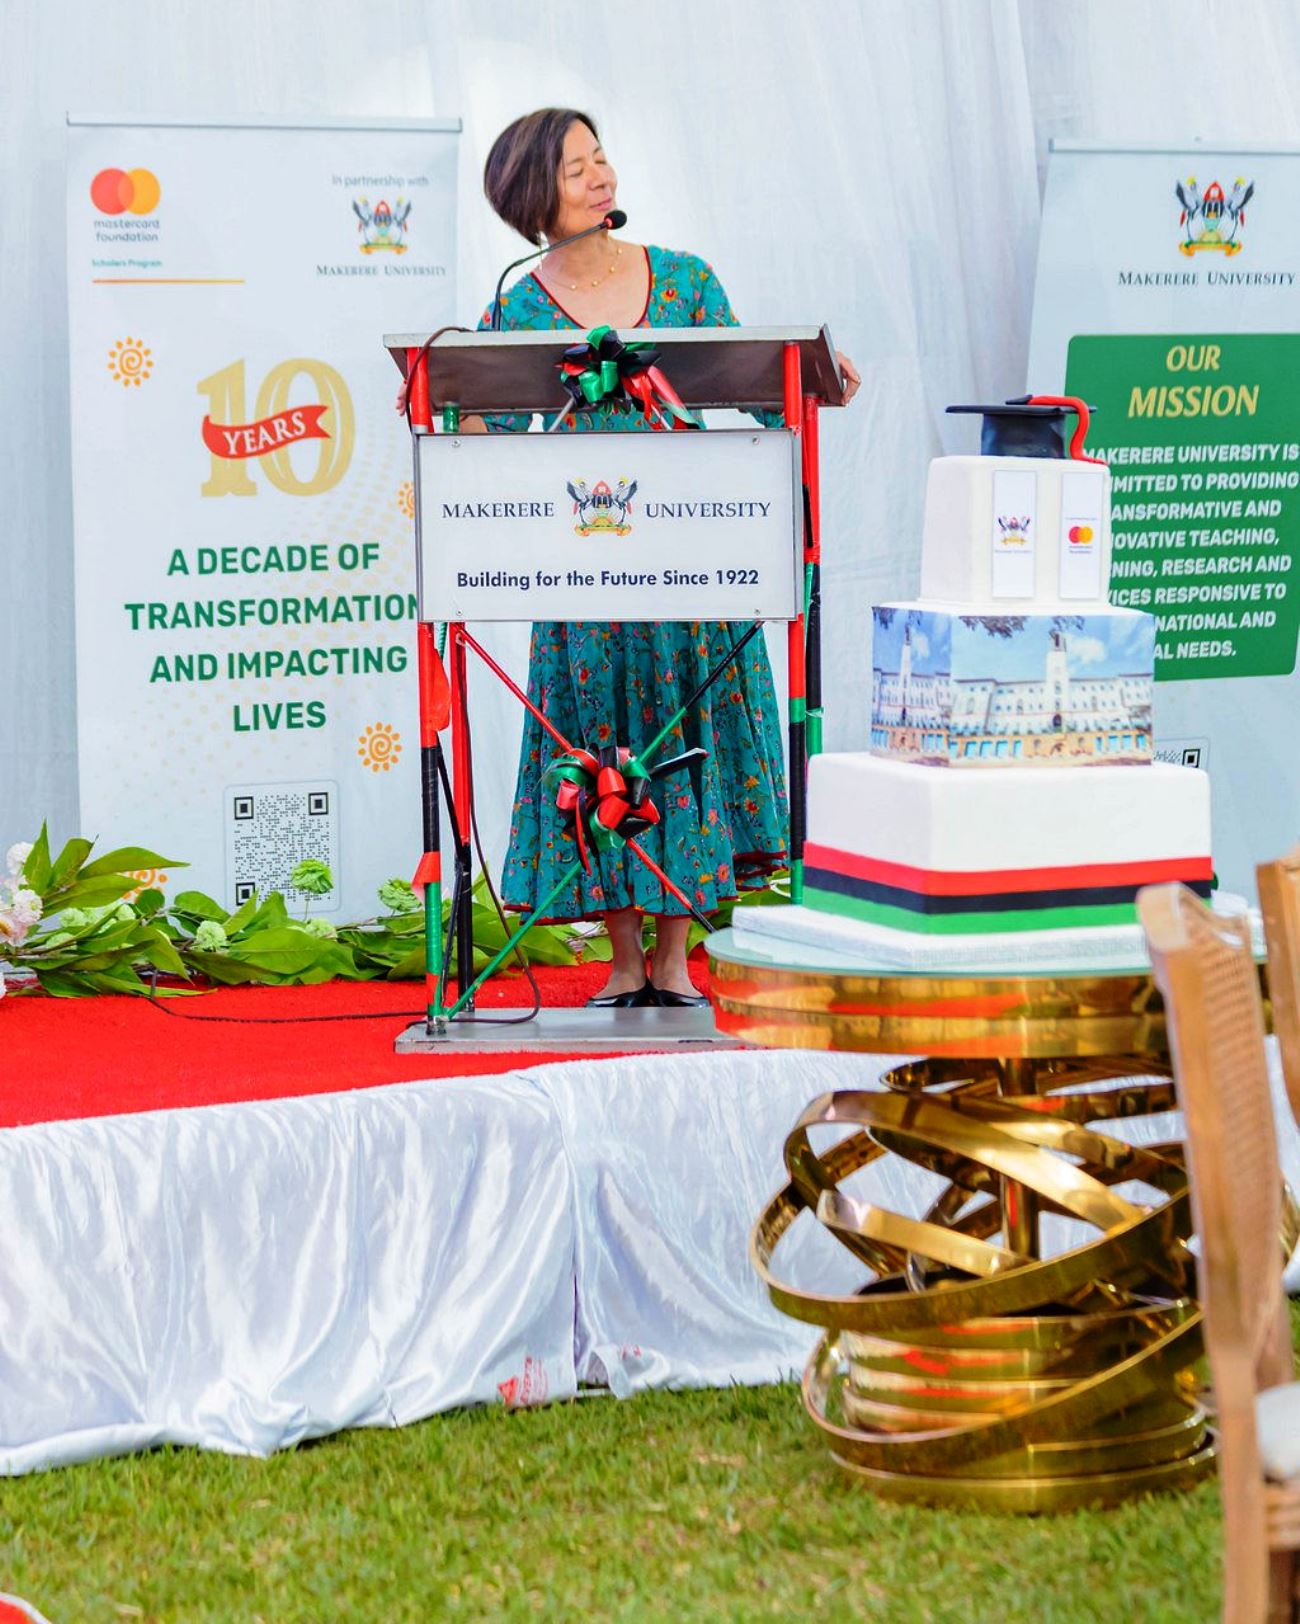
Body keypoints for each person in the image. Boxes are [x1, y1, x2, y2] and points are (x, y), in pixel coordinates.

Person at [432, 108, 859, 1007]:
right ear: (531, 197)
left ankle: (675, 962)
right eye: (577, 169)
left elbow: (751, 381)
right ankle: (623, 963)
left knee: (685, 743)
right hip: (582, 575)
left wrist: (813, 377)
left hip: (689, 565)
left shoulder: (686, 280)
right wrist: (458, 409)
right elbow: (490, 425)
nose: (601, 178)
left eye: (602, 159)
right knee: (593, 744)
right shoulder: (515, 302)